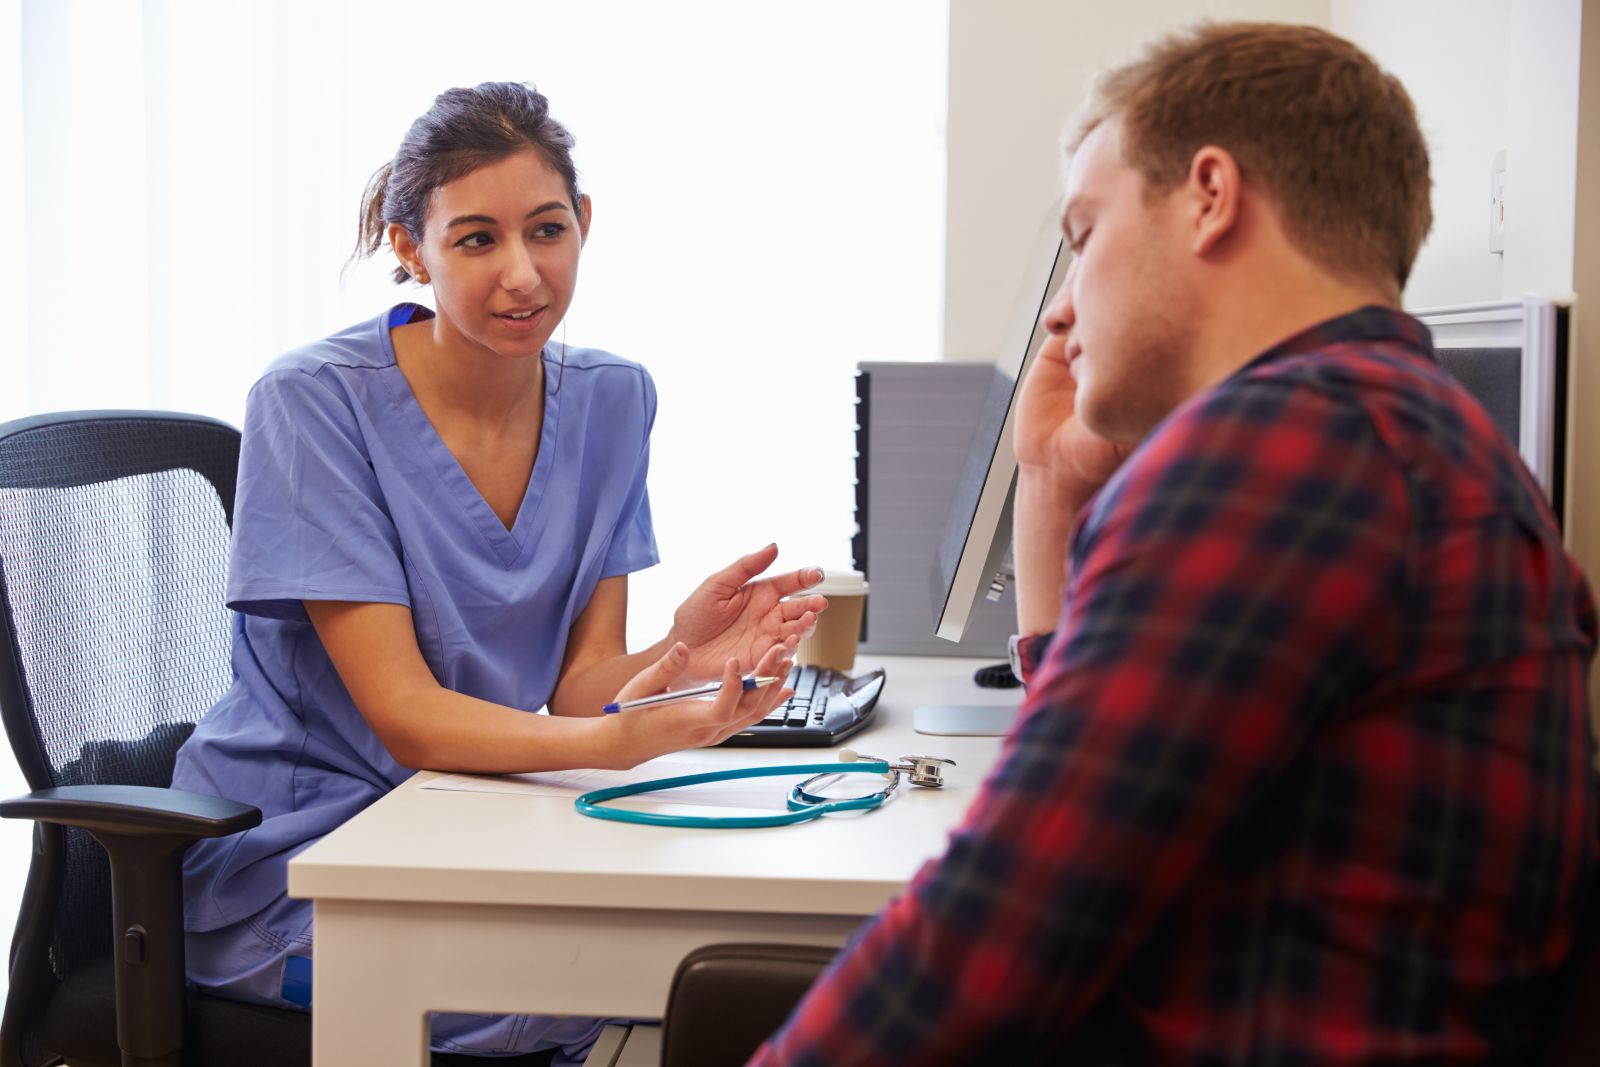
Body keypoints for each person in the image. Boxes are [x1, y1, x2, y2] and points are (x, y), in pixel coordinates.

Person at [754, 22, 1596, 1065]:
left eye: (1083, 230)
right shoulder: (1410, 435)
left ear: (1209, 194)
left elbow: (997, 926)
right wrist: (1054, 487)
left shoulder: (1288, 447)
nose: (1061, 307)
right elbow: (1106, 780)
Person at [171, 81, 825, 1064]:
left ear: (585, 224)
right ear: (408, 245)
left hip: (481, 827)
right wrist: (621, 745)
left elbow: (577, 681)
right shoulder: (313, 402)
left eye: (548, 230)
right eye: (476, 239)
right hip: (313, 866)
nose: (524, 274)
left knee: (724, 965)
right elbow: (407, 714)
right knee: (621, 997)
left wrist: (682, 654)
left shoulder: (612, 398)